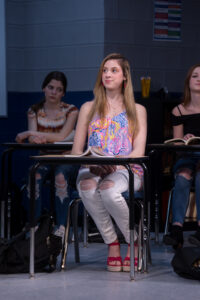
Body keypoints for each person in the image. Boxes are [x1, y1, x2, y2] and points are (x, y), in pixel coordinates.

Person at [71, 53, 147, 272]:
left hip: (127, 168)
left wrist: (116, 163)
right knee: (87, 187)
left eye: (114, 70)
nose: (107, 74)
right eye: (104, 70)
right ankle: (112, 243)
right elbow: (77, 151)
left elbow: (138, 152)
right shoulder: (88, 107)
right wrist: (91, 160)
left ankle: (133, 241)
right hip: (93, 167)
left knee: (108, 190)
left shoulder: (138, 110)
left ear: (125, 77)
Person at [15, 71, 79, 240]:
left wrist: (31, 133)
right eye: (51, 87)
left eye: (59, 89)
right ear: (44, 88)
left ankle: (61, 227)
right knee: (33, 176)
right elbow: (34, 139)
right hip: (43, 159)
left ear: (63, 93)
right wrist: (33, 137)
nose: (54, 92)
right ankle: (34, 225)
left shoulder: (71, 110)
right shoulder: (34, 110)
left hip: (65, 159)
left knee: (60, 177)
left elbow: (62, 137)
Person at [163, 63, 200, 248]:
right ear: (188, 81)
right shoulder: (178, 110)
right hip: (187, 154)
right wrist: (185, 139)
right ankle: (177, 228)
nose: (199, 79)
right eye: (195, 76)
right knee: (183, 176)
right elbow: (176, 145)